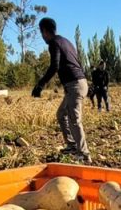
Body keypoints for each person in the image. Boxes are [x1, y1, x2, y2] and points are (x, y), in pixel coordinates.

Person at [32, 17, 90, 162]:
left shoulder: (54, 43)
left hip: (74, 84)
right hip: (79, 83)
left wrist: (40, 85)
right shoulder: (66, 41)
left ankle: (83, 154)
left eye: (41, 32)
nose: (42, 36)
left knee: (74, 119)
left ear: (45, 31)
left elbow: (54, 66)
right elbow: (76, 62)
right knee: (61, 114)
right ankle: (72, 145)